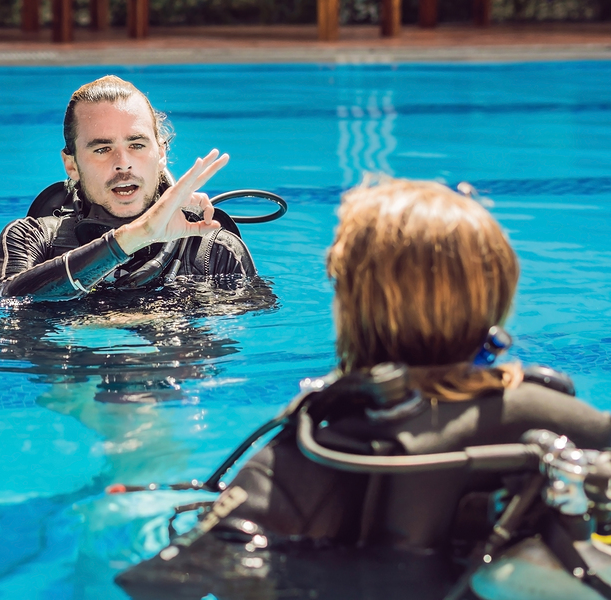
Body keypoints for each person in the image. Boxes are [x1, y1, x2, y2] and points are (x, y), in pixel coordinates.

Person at [116, 177, 611, 599]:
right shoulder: (555, 418)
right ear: (497, 294)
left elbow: (158, 582)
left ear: (353, 308)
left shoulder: (320, 449)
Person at [0, 75, 257, 300]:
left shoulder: (214, 252)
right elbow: (10, 302)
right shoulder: (31, 239)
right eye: (103, 149)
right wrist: (136, 236)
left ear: (161, 154)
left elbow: (219, 350)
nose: (123, 164)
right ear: (71, 165)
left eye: (137, 145)